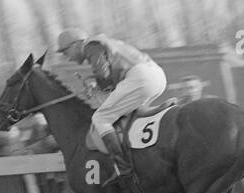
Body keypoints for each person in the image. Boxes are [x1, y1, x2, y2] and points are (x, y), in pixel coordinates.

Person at [55, 28, 167, 182]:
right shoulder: (103, 43)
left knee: (100, 118)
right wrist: (97, 84)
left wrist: (96, 86)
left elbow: (103, 74)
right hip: (157, 75)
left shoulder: (91, 46)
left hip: (141, 78)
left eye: (66, 52)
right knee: (129, 116)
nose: (67, 58)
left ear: (75, 45)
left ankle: (123, 168)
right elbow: (108, 75)